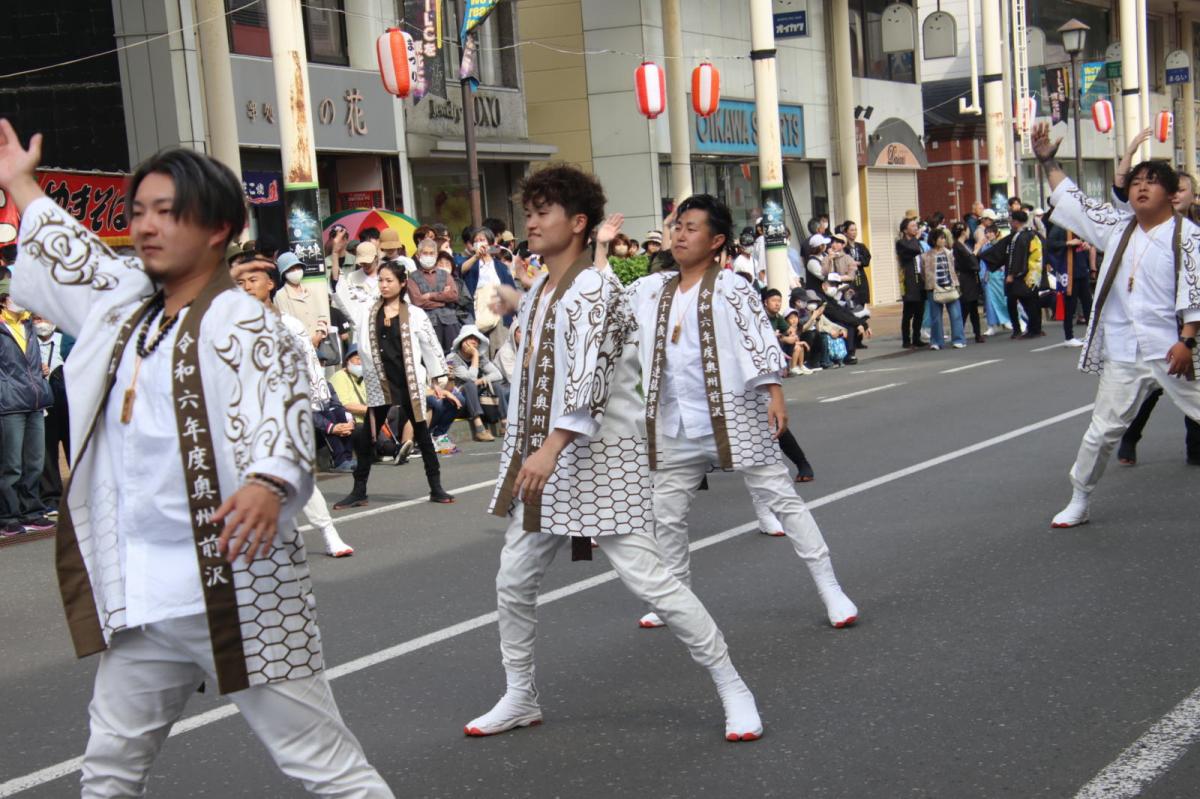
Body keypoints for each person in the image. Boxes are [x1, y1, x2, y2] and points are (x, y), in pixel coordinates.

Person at [1, 122, 392, 795]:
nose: (147, 226)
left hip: (232, 581)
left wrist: (270, 481)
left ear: (218, 228)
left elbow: (287, 410)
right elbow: (78, 257)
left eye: (169, 212)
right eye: (140, 211)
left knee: (324, 765)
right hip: (145, 590)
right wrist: (20, 185)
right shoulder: (128, 305)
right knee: (107, 769)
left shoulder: (245, 321)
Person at [466, 166, 764, 743]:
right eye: (529, 209)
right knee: (513, 580)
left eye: (544, 210)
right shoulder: (546, 289)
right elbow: (538, 368)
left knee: (655, 583)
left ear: (578, 223)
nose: (530, 220)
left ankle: (733, 685)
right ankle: (520, 694)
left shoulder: (596, 287)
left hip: (598, 466)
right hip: (546, 465)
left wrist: (550, 446)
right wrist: (514, 309)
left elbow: (592, 379)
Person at [626, 193, 858, 632]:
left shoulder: (733, 288)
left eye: (690, 227)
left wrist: (775, 392)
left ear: (716, 241)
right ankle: (675, 597)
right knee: (666, 514)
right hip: (674, 420)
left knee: (781, 498)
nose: (679, 234)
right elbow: (605, 312)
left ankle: (830, 588)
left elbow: (759, 341)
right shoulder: (652, 289)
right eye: (677, 226)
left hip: (733, 411)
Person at [1027, 121, 1200, 529]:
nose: (1141, 187)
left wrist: (1187, 342)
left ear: (1172, 194)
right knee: (1102, 431)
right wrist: (1048, 160)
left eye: (1152, 182)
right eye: (1137, 181)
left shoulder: (1188, 236)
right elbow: (1074, 201)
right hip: (1125, 349)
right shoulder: (1116, 227)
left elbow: (1195, 288)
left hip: (1173, 348)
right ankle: (1079, 499)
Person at [232, 252, 356, 557]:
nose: (246, 286)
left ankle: (329, 534)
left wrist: (314, 404)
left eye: (253, 279)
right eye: (240, 282)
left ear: (270, 283)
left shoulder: (290, 325)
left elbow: (311, 368)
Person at [333, 259, 454, 508]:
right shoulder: (368, 311)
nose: (384, 285)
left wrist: (437, 377)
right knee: (368, 435)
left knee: (421, 433)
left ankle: (436, 486)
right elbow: (351, 318)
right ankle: (359, 490)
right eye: (381, 280)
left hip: (408, 381)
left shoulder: (415, 314)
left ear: (402, 283)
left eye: (389, 280)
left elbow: (430, 347)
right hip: (381, 382)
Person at [0, 289, 55, 535]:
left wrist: (40, 372)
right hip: (9, 403)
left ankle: (31, 510)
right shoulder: (3, 327)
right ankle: (8, 514)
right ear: (3, 300)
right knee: (11, 464)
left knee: (34, 462)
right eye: (13, 296)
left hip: (35, 400)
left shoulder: (28, 324)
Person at [981, 209, 1044, 339]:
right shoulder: (1031, 234)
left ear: (1015, 222)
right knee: (1031, 301)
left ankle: (1027, 329)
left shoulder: (1019, 237)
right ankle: (1035, 328)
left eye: (1011, 220)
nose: (1010, 222)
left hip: (1020, 276)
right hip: (1033, 274)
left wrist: (1012, 274)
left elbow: (1017, 257)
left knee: (1021, 302)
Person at [33, 313, 70, 512]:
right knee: (47, 453)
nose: (41, 323)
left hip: (69, 402)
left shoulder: (66, 339)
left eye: (44, 318)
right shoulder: (29, 340)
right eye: (36, 319)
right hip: (43, 403)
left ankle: (83, 494)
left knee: (76, 449)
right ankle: (51, 498)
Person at [446, 325, 504, 441]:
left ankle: (504, 423)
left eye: (476, 339)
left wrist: (482, 380)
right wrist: (475, 356)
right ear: (462, 341)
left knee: (496, 384)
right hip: (458, 403)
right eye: (470, 338)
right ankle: (479, 429)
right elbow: (470, 378)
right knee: (469, 385)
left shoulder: (480, 357)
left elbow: (498, 374)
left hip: (476, 401)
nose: (474, 341)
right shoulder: (452, 357)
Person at [407, 237, 462, 353]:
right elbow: (418, 301)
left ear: (436, 255)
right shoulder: (413, 277)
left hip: (450, 323)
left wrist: (430, 295)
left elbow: (453, 295)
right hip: (427, 323)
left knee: (454, 356)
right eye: (425, 253)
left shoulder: (445, 274)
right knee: (434, 357)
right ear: (418, 255)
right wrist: (443, 299)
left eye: (431, 253)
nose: (428, 256)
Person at [921, 229, 966, 350]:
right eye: (941, 238)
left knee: (956, 314)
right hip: (934, 288)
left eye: (944, 238)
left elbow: (953, 269)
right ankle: (936, 341)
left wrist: (956, 284)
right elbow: (923, 274)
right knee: (935, 317)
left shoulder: (949, 253)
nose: (943, 240)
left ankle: (958, 339)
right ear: (934, 240)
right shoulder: (926, 256)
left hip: (950, 286)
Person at [272, 252, 327, 345]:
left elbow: (322, 316)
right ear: (284, 273)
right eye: (291, 269)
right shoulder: (280, 295)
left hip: (320, 342)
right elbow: (286, 325)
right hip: (299, 346)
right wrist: (308, 342)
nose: (296, 271)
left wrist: (318, 335)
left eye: (298, 267)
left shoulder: (310, 291)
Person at [952, 222, 985, 343]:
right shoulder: (958, 246)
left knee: (972, 308)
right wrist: (977, 249)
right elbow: (971, 261)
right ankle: (959, 335)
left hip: (970, 279)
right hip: (965, 279)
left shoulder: (962, 245)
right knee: (965, 307)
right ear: (963, 232)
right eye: (967, 230)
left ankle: (976, 333)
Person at [896, 218, 927, 349]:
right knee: (908, 312)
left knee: (920, 311)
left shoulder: (918, 242)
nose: (916, 228)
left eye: (916, 226)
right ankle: (906, 339)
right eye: (912, 226)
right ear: (905, 229)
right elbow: (914, 250)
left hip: (920, 279)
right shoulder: (901, 243)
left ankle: (916, 337)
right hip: (909, 280)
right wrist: (916, 239)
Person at [842, 221, 872, 306]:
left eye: (855, 230)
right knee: (851, 303)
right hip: (849, 278)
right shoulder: (844, 247)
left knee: (861, 302)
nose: (854, 232)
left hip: (860, 276)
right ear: (845, 232)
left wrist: (859, 262)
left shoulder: (860, 246)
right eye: (851, 230)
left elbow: (867, 259)